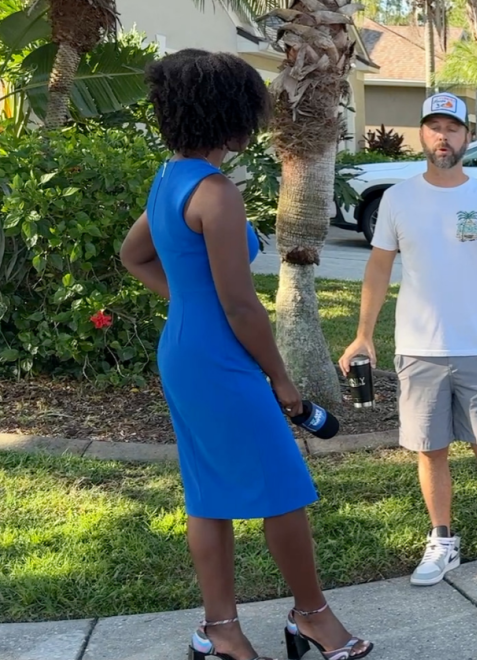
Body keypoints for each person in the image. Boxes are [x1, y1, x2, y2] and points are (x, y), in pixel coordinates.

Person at [119, 49, 372, 660]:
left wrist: (189, 303)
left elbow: (135, 257)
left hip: (184, 350)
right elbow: (241, 308)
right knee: (284, 487)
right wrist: (283, 382)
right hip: (220, 358)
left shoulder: (168, 179)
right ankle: (311, 616)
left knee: (208, 492)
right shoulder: (216, 194)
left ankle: (221, 630)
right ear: (233, 117)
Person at [338, 92, 477, 588]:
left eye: (453, 128)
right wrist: (363, 335)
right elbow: (378, 268)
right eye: (434, 127)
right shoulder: (398, 198)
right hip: (418, 349)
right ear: (423, 134)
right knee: (430, 450)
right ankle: (442, 542)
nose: (444, 136)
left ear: (468, 137)